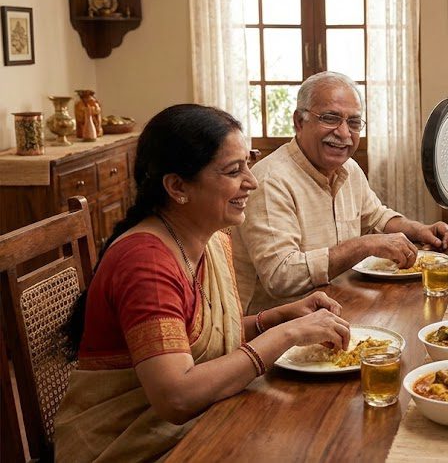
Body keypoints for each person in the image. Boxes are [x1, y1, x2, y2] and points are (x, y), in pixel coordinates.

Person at [55, 105, 352, 462]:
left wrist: (277, 318)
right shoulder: (145, 263)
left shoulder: (210, 240)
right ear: (177, 186)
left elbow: (196, 341)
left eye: (249, 161)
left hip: (200, 428)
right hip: (130, 448)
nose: (252, 181)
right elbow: (176, 396)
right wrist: (287, 336)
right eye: (233, 170)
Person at [234, 72, 448, 313]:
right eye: (330, 118)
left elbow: (376, 218)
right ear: (299, 121)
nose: (344, 133)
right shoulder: (271, 180)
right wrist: (362, 247)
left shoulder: (348, 168)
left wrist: (419, 230)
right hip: (280, 330)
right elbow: (281, 276)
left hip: (342, 307)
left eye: (354, 123)